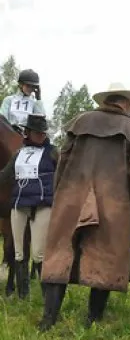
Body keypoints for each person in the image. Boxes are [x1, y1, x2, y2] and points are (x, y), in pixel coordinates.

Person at [38, 83, 130, 331]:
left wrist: (58, 197)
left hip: (71, 197)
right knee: (106, 258)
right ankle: (92, 320)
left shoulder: (80, 122)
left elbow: (62, 163)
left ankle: (49, 319)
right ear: (125, 104)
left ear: (106, 101)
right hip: (112, 203)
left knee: (60, 254)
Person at [0, 114, 58, 299]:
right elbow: (5, 176)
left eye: (42, 132)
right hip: (19, 205)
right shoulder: (19, 154)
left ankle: (44, 295)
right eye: (36, 132)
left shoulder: (53, 152)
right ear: (28, 133)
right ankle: (23, 295)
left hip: (42, 205)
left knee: (39, 252)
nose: (40, 135)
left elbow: (65, 173)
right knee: (18, 252)